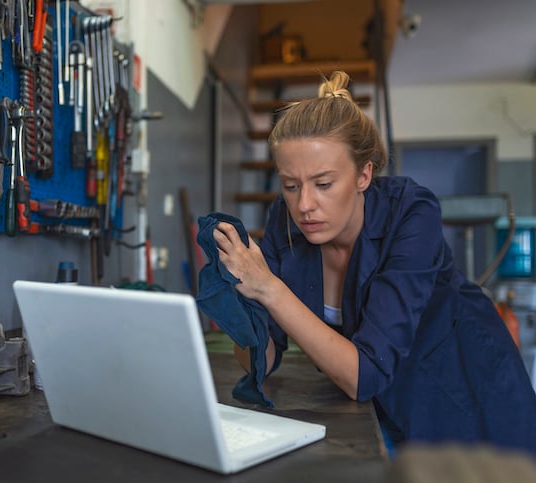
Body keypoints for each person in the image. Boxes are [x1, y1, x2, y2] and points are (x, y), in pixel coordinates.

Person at [211, 71, 536, 454]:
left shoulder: (412, 213)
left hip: (466, 393)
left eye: (324, 183)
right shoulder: (284, 221)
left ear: (364, 174)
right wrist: (244, 302)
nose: (304, 206)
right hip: (382, 405)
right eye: (291, 185)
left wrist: (270, 288)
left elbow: (364, 375)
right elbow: (261, 360)